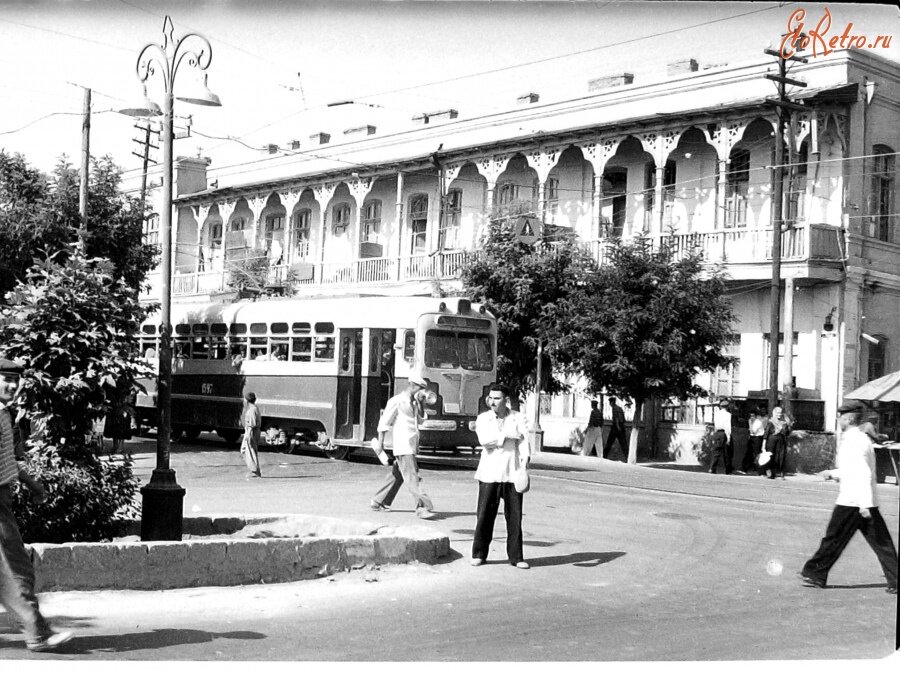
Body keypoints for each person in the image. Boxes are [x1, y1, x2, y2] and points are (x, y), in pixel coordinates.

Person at [0, 358, 74, 651]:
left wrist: (33, 485)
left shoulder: (5, 414)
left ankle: (36, 630)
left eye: (15, 380)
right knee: (12, 569)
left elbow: (10, 460)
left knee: (14, 567)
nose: (12, 385)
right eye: (5, 378)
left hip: (2, 495)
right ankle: (38, 632)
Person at [800, 401, 898, 594]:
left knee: (834, 539)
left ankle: (815, 573)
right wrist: (832, 473)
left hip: (853, 502)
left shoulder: (855, 441)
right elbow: (851, 470)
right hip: (860, 501)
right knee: (881, 543)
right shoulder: (858, 439)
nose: (838, 420)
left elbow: (863, 473)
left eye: (840, 416)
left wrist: (864, 505)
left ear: (848, 418)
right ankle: (815, 573)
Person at [471, 384, 532, 569]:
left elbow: (524, 441)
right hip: (489, 473)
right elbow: (485, 441)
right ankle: (479, 554)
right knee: (484, 515)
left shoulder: (518, 417)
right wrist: (506, 437)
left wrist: (525, 461)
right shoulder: (483, 419)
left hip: (512, 472)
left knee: (514, 517)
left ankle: (516, 557)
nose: (492, 402)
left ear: (506, 400)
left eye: (497, 398)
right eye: (490, 398)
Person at [370, 374, 435, 519]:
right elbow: (384, 422)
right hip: (403, 444)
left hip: (412, 444)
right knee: (413, 476)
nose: (422, 391)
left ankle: (378, 501)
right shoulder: (397, 401)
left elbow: (421, 420)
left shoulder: (415, 402)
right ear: (412, 385)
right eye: (420, 388)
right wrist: (380, 443)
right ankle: (422, 507)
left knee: (398, 473)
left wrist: (421, 404)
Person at [763, 406, 791, 479]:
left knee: (781, 456)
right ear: (774, 413)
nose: (779, 414)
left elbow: (787, 433)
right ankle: (771, 473)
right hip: (771, 440)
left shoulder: (784, 422)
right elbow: (766, 433)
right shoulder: (771, 421)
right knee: (771, 456)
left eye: (780, 413)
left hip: (781, 440)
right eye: (778, 413)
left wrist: (783, 428)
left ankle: (781, 473)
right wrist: (763, 445)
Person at [241, 392, 262, 478]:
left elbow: (251, 424)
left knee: (247, 450)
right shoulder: (255, 408)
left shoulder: (251, 410)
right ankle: (256, 470)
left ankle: (254, 470)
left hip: (251, 431)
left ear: (247, 401)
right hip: (254, 431)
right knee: (252, 450)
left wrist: (247, 435)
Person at [603, 396, 628, 461]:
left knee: (609, 442)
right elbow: (623, 419)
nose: (609, 404)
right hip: (621, 426)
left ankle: (604, 456)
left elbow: (616, 418)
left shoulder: (614, 408)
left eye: (610, 402)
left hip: (616, 427)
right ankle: (627, 456)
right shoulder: (619, 408)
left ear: (612, 402)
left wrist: (617, 426)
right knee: (623, 443)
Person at [744, 407, 768, 475]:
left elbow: (753, 431)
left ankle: (759, 469)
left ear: (756, 416)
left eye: (753, 416)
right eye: (750, 416)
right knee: (748, 453)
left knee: (757, 453)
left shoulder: (758, 422)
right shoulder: (750, 420)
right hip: (752, 437)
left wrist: (751, 424)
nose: (752, 418)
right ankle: (746, 467)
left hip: (757, 438)